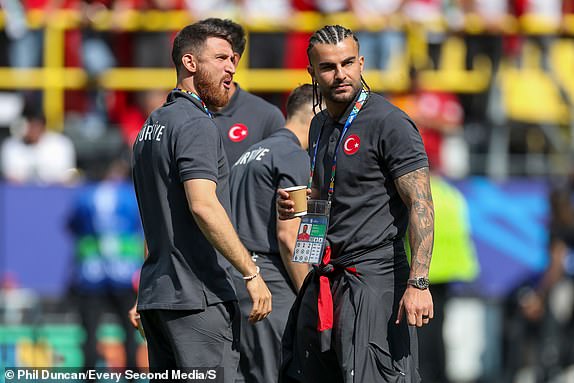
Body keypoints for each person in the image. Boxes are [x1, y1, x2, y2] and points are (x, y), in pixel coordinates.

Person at [277, 25, 434, 382]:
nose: (340, 74)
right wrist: (307, 263)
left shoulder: (389, 122)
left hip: (374, 279)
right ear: (312, 72)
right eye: (328, 67)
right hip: (327, 278)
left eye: (348, 63)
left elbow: (421, 203)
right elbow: (322, 197)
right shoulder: (318, 124)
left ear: (361, 63)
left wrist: (418, 283)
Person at [131, 22, 271, 381]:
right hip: (197, 298)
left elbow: (159, 215)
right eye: (221, 58)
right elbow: (202, 205)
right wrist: (250, 272)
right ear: (190, 63)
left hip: (158, 296)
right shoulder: (195, 124)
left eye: (233, 60)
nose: (232, 68)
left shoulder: (153, 124)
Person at [228, 84, 313, 383]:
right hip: (272, 285)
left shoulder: (249, 154)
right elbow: (290, 237)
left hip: (239, 281)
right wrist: (309, 294)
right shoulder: (293, 156)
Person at [67, 154, 142, 370]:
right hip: (125, 273)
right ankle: (132, 375)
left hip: (91, 273)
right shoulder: (129, 194)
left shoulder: (83, 196)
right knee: (129, 330)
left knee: (90, 331)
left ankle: (89, 375)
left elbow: (72, 225)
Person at [197, 18, 285, 165]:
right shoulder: (181, 112)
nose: (192, 64)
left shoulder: (267, 118)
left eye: (202, 56)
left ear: (233, 61)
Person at [1, 105, 76, 184]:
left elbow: (67, 176)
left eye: (36, 125)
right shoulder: (11, 145)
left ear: (43, 125)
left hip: (54, 193)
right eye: (29, 125)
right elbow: (11, 177)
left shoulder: (61, 144)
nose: (32, 129)